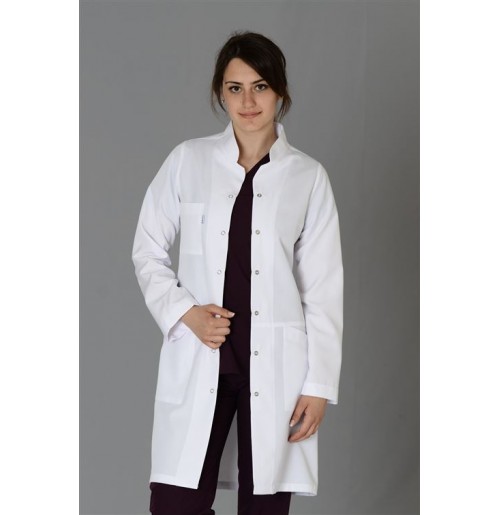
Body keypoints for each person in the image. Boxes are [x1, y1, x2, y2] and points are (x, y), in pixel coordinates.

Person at [132, 31, 344, 515]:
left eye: (260, 86)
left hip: (277, 365)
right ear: (220, 93)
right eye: (235, 88)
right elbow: (146, 249)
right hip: (204, 352)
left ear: (280, 92)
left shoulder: (308, 177)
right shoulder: (188, 160)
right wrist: (185, 312)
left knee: (264, 505)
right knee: (175, 504)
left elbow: (323, 289)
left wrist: (318, 387)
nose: (248, 102)